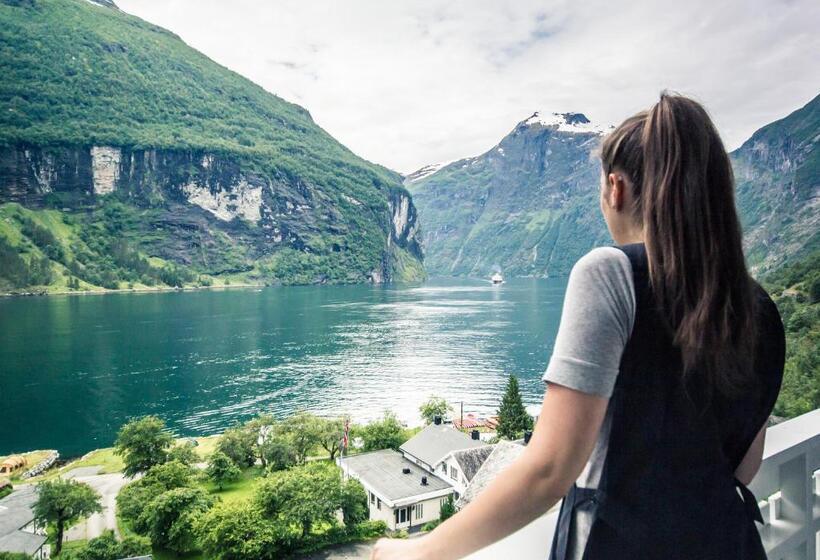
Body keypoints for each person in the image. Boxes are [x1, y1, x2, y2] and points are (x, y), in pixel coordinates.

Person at [371, 92, 785, 560]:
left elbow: (549, 471)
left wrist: (418, 552)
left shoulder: (611, 273)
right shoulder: (761, 308)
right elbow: (742, 468)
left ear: (616, 188)